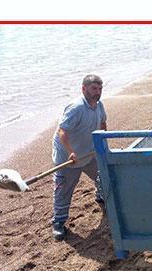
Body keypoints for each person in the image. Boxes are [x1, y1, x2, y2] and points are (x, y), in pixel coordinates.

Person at [50, 74, 107, 241]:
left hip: (88, 153)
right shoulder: (75, 108)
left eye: (100, 89)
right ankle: (58, 223)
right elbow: (62, 131)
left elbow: (102, 124)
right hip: (68, 157)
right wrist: (70, 152)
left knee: (103, 175)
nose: (97, 92)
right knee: (63, 191)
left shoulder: (99, 106)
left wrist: (102, 143)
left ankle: (101, 197)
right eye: (94, 89)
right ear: (84, 89)